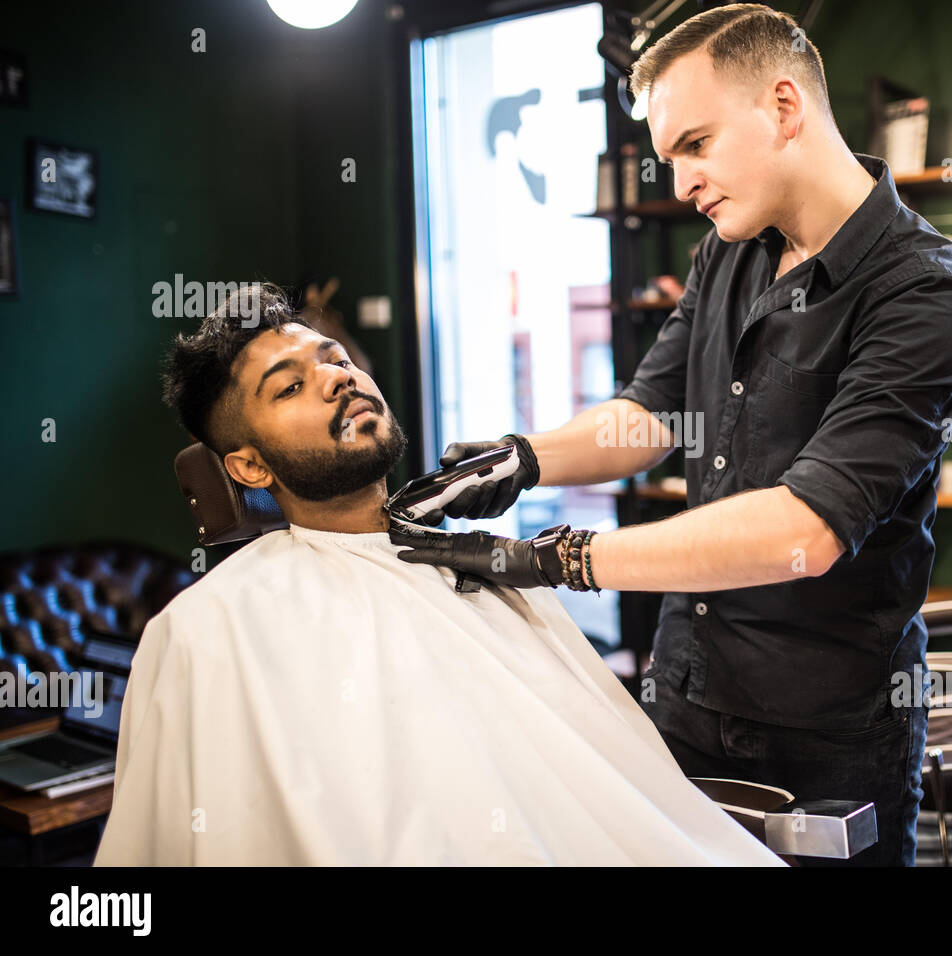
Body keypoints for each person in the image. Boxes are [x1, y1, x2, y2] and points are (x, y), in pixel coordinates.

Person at [395, 3, 952, 866]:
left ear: (784, 108)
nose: (680, 184)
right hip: (686, 688)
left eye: (695, 145)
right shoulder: (730, 249)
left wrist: (559, 558)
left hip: (827, 728)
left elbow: (804, 531)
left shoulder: (922, 291)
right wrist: (524, 459)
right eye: (670, 157)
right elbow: (651, 411)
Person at [92, 283, 783, 866]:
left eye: (334, 360)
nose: (338, 377)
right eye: (293, 386)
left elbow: (621, 791)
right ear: (247, 467)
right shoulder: (209, 631)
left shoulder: (485, 568)